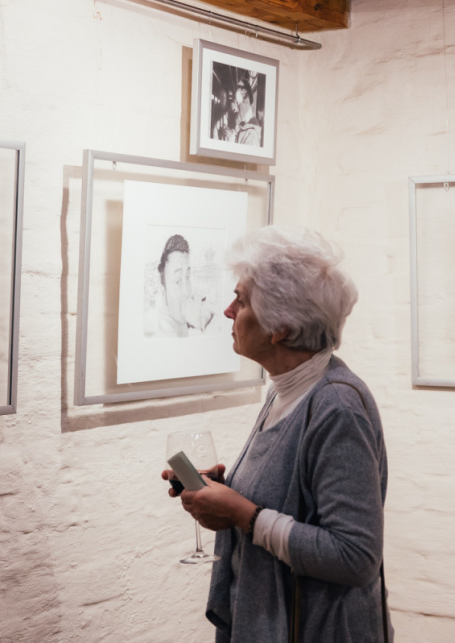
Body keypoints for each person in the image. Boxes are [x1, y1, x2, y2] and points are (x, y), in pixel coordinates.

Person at [162, 226, 391, 642]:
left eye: (241, 300)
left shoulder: (336, 406)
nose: (227, 311)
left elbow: (356, 556)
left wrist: (241, 514)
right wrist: (221, 493)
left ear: (280, 326)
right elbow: (290, 499)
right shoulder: (287, 390)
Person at [151, 234, 216, 338]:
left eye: (188, 277)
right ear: (163, 291)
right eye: (178, 281)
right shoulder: (164, 333)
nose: (187, 291)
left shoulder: (185, 326)